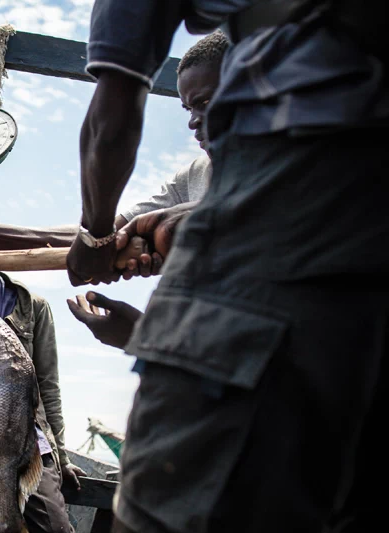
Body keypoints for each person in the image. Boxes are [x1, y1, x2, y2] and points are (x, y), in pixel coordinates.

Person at [67, 1, 389, 532]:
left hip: (276, 248)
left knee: (160, 510)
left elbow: (114, 106)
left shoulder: (282, 105)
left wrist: (96, 233)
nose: (197, 121)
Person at [0, 31, 230, 278]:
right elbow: (101, 235)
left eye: (206, 101)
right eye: (189, 108)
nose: (193, 120)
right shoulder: (195, 175)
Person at [0, 268, 86, 533]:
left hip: (25, 439)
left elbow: (47, 385)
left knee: (53, 526)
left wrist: (61, 454)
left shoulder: (32, 306)